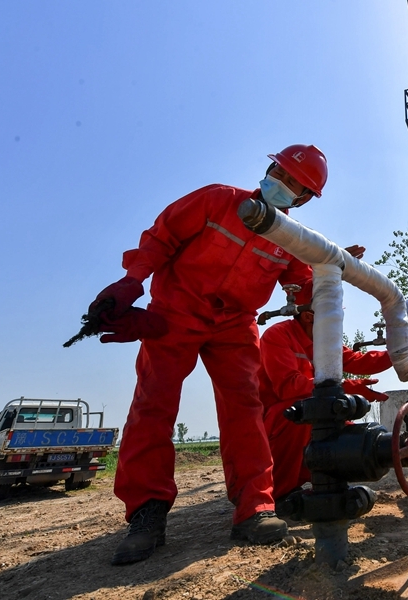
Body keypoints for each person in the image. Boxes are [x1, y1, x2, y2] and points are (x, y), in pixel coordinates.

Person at [91, 144, 328, 565]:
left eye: (296, 186)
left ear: (304, 199)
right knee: (152, 405)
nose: (284, 185)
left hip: (235, 326)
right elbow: (160, 237)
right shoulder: (219, 200)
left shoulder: (289, 240)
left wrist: (333, 271)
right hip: (175, 313)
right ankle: (147, 512)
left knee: (246, 410)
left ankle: (255, 507)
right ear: (270, 168)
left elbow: (304, 285)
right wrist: (132, 283)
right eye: (282, 174)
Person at [258, 306, 392, 512]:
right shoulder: (277, 336)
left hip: (310, 414)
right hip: (276, 423)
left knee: (343, 430)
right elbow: (288, 386)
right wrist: (346, 387)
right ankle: (280, 494)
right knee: (299, 413)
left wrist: (400, 351)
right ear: (309, 316)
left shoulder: (324, 340)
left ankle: (330, 482)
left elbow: (358, 361)